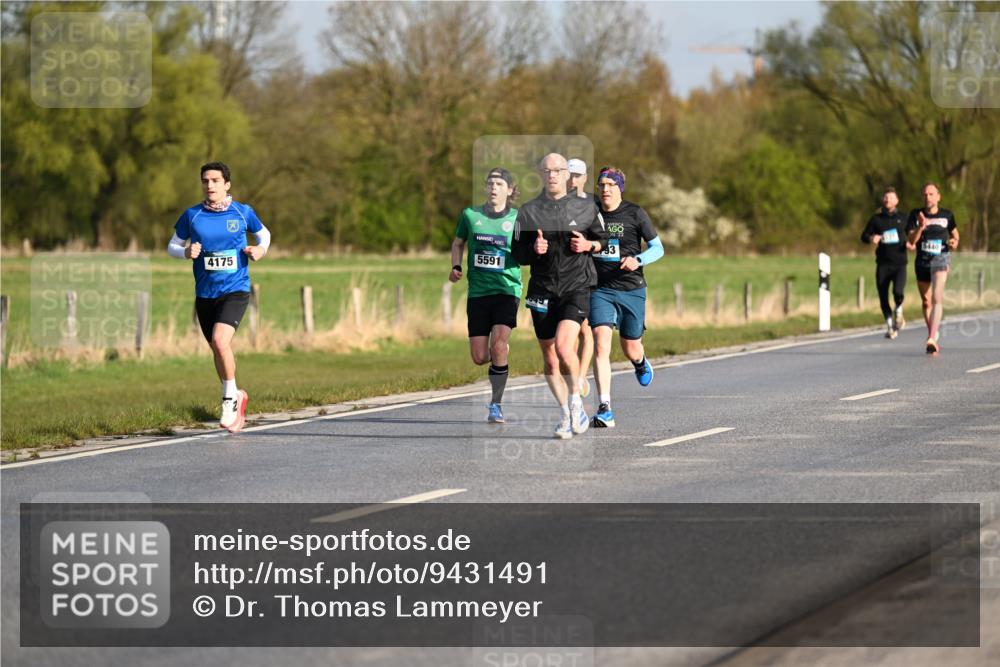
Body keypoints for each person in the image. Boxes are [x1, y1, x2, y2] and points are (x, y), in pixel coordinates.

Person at [167, 162, 270, 433]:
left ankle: (228, 401)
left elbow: (264, 235)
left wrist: (260, 251)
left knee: (219, 340)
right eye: (205, 181)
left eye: (215, 180)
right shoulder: (193, 215)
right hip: (205, 293)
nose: (210, 185)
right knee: (218, 349)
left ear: (227, 184)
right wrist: (185, 252)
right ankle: (236, 394)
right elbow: (172, 245)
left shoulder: (242, 212)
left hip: (235, 290)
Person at [511, 153, 608, 439]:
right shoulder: (528, 211)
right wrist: (533, 250)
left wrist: (589, 244)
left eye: (558, 170)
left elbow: (604, 241)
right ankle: (566, 413)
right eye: (547, 170)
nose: (552, 175)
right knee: (551, 359)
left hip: (576, 287)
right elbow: (517, 252)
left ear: (567, 175)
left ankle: (577, 405)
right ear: (541, 174)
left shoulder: (587, 206)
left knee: (565, 347)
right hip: (542, 290)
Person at [588, 166, 663, 428]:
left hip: (631, 288)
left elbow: (658, 248)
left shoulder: (635, 213)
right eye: (602, 185)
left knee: (630, 347)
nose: (605, 189)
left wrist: (638, 259)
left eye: (611, 184)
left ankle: (640, 363)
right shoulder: (590, 212)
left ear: (620, 188)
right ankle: (605, 407)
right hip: (600, 289)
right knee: (600, 345)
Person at [450, 168, 522, 423]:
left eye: (500, 183)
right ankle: (500, 361)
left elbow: (528, 253)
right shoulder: (470, 215)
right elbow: (458, 242)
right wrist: (456, 266)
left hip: (507, 290)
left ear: (510, 190)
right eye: (490, 183)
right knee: (480, 357)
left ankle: (496, 404)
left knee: (499, 345)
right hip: (478, 293)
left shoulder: (517, 218)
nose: (493, 187)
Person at [906, 182, 959, 354]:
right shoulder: (915, 214)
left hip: (941, 258)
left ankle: (930, 337)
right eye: (925, 195)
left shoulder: (947, 215)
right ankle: (933, 334)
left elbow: (955, 235)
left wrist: (954, 242)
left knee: (937, 297)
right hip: (922, 261)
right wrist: (921, 226)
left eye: (931, 194)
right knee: (926, 301)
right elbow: (912, 241)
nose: (927, 197)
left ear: (938, 196)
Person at [860, 187, 909, 339]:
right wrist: (871, 238)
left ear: (897, 200)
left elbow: (914, 234)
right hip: (882, 263)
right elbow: (864, 235)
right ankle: (890, 326)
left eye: (891, 197)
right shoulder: (876, 219)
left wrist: (913, 243)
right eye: (885, 197)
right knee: (883, 296)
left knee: (898, 292)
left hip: (900, 263)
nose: (887, 200)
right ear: (883, 200)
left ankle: (899, 310)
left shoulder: (904, 218)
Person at [568, 158, 594, 400]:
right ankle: (574, 373)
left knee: (585, 329)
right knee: (569, 331)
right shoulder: (556, 203)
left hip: (589, 275)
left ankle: (581, 376)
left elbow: (604, 239)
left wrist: (590, 245)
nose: (573, 180)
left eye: (577, 176)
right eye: (570, 175)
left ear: (585, 178)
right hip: (565, 277)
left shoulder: (593, 205)